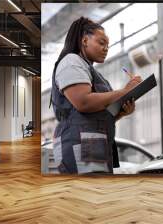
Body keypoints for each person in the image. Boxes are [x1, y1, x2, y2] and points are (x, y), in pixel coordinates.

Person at [50, 17, 142, 174]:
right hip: (79, 146)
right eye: (101, 42)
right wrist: (124, 91)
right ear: (85, 40)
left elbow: (96, 115)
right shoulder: (71, 62)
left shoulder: (92, 72)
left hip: (93, 147)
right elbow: (83, 102)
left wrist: (120, 112)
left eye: (108, 45)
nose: (106, 48)